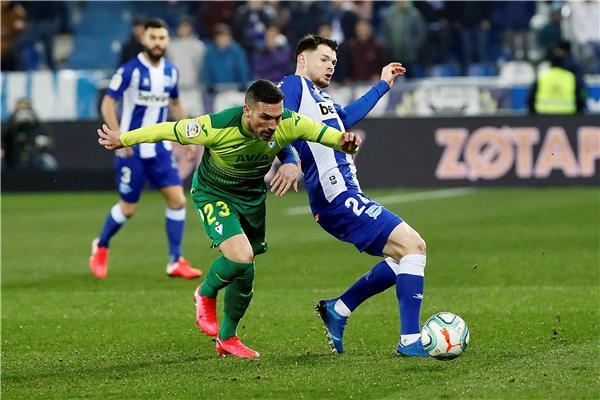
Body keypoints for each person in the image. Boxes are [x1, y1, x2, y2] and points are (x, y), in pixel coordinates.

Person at [96, 79, 362, 358]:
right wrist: (124, 138)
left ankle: (227, 338)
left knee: (246, 274)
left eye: (277, 117)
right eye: (265, 117)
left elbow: (329, 136)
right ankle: (205, 293)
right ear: (247, 110)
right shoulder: (216, 126)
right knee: (240, 256)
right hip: (214, 194)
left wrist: (345, 143)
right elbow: (167, 129)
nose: (273, 125)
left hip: (251, 199)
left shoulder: (288, 123)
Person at [278, 34, 429, 356]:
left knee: (402, 256)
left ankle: (339, 309)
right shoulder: (293, 85)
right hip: (335, 195)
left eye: (334, 62)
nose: (331, 66)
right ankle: (410, 341)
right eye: (323, 59)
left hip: (344, 193)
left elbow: (345, 117)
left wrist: (383, 84)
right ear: (302, 59)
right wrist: (289, 160)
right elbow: (280, 123)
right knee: (413, 246)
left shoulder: (320, 98)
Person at [89, 18, 201, 280]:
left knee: (177, 200)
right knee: (129, 208)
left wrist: (187, 139)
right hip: (132, 150)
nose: (158, 43)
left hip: (160, 149)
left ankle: (175, 261)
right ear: (143, 39)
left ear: (167, 40)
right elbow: (107, 104)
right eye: (153, 38)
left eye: (162, 38)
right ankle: (101, 245)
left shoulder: (171, 72)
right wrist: (120, 137)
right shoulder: (130, 71)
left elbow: (175, 104)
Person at [527, 46, 586, 115]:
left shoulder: (542, 76)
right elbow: (581, 96)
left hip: (543, 116)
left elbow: (530, 98)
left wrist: (533, 115)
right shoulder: (570, 77)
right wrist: (579, 113)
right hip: (567, 116)